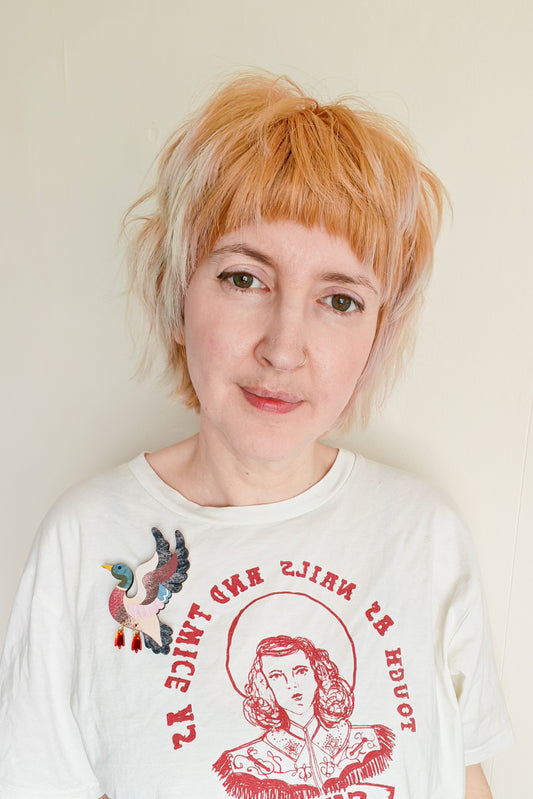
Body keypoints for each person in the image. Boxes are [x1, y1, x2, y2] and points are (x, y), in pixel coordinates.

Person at [0, 72, 512, 799]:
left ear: (377, 335)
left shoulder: (422, 534)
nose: (283, 348)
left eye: (340, 300)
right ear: (177, 294)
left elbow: (464, 780)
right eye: (244, 279)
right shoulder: (88, 542)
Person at [214, 634, 396, 798]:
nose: (292, 684)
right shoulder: (243, 764)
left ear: (318, 674)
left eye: (300, 671)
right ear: (264, 686)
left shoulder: (371, 742)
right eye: (276, 676)